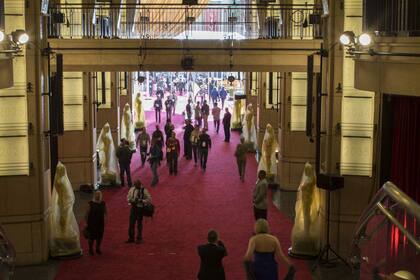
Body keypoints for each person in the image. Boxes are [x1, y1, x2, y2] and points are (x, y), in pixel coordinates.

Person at [49, 162, 82, 258]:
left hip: (63, 201)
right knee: (64, 218)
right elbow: (66, 193)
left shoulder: (59, 180)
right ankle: (64, 231)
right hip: (64, 202)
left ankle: (64, 230)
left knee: (64, 218)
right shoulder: (61, 181)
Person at [85, 191, 107, 256]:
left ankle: (97, 248)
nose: (98, 196)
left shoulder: (103, 203)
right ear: (94, 195)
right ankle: (90, 249)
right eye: (97, 194)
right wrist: (86, 223)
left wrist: (105, 220)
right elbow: (86, 214)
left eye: (99, 194)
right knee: (91, 237)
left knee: (100, 237)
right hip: (92, 223)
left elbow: (105, 212)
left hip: (100, 223)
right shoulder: (90, 203)